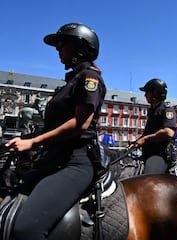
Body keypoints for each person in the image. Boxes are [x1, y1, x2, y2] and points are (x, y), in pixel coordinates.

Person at [6, 22, 106, 240]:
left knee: (26, 230)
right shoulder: (68, 84)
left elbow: (81, 123)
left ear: (80, 49)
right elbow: (52, 126)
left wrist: (33, 142)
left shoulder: (90, 78)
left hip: (75, 162)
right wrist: (23, 140)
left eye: (62, 45)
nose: (58, 50)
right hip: (53, 159)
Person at [133, 78, 177, 174]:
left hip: (161, 156)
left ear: (155, 93)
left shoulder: (167, 110)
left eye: (147, 92)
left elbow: (168, 132)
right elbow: (148, 134)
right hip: (149, 154)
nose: (145, 95)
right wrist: (134, 143)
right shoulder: (152, 112)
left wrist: (145, 139)